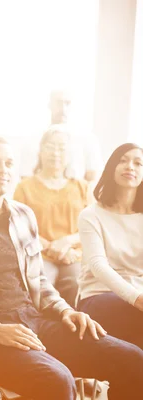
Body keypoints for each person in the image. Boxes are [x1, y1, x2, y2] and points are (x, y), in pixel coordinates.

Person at [0, 136, 143, 399]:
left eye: (8, 163)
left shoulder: (23, 216)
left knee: (133, 360)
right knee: (57, 380)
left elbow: (38, 280)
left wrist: (65, 310)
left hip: (33, 321)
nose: (2, 170)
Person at [13, 125, 89, 306]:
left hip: (73, 255)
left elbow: (92, 227)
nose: (55, 153)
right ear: (40, 151)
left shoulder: (82, 186)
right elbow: (18, 227)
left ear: (69, 155)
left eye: (61, 148)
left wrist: (66, 243)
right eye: (50, 146)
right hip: (38, 254)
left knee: (78, 286)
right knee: (40, 286)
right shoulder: (25, 187)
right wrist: (51, 247)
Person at [77, 143, 143, 349]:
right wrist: (137, 299)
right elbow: (98, 266)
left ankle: (126, 379)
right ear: (111, 168)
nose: (130, 166)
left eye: (137, 162)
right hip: (98, 297)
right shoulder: (91, 215)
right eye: (122, 161)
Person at [20, 90, 102, 184]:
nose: (63, 109)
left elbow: (92, 177)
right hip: (39, 196)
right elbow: (25, 176)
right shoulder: (33, 139)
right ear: (50, 105)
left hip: (75, 196)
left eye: (67, 103)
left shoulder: (88, 139)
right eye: (58, 103)